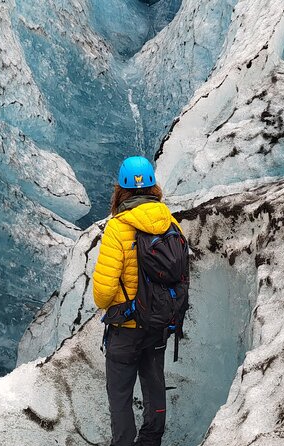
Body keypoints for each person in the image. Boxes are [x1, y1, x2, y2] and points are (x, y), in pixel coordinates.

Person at [93, 156, 184, 446]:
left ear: (120, 189)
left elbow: (102, 294)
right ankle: (151, 440)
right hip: (158, 323)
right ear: (153, 187)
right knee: (154, 384)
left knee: (119, 394)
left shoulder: (118, 228)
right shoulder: (169, 223)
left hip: (126, 327)